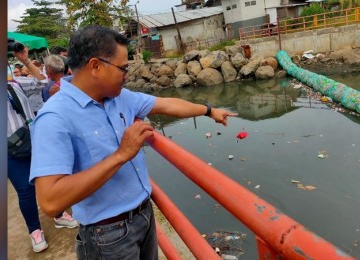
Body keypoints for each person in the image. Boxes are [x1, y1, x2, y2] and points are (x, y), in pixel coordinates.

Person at [29, 25, 236, 260]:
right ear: (95, 66)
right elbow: (50, 202)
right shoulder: (54, 118)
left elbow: (167, 104)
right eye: (122, 68)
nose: (126, 75)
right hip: (106, 236)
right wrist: (121, 154)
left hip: (144, 216)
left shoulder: (120, 97)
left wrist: (209, 110)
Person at [8, 46, 79, 253]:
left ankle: (58, 215)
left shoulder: (15, 84)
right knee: (25, 190)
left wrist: (25, 60)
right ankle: (35, 230)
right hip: (8, 152)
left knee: (49, 179)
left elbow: (42, 81)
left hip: (33, 141)